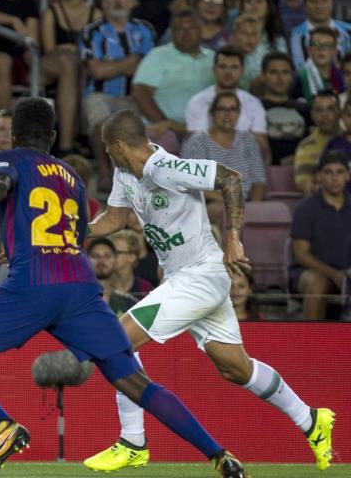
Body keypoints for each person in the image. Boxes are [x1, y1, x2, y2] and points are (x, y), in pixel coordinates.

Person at [0, 98, 248, 478]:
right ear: (52, 137)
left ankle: (5, 428)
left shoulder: (8, 158)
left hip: (33, 283)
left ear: (14, 135)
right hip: (81, 289)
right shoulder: (73, 178)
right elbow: (76, 232)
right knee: (135, 382)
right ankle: (219, 456)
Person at [81, 109, 332, 473]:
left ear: (118, 145)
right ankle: (311, 420)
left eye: (107, 148)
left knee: (118, 341)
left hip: (200, 276)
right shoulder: (125, 172)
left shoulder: (166, 167)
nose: (107, 155)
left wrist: (232, 239)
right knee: (235, 368)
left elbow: (230, 178)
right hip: (189, 279)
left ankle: (133, 441)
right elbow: (115, 218)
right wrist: (70, 233)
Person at [81, 0, 156, 191]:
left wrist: (112, 65)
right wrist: (131, 60)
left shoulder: (145, 30)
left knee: (135, 128)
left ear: (133, 1)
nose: (117, 1)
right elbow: (96, 70)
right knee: (103, 122)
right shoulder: (91, 31)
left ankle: (130, 178)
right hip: (98, 93)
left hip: (134, 94)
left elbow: (145, 68)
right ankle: (105, 172)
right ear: (102, 2)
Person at [132, 8, 215, 142]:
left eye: (191, 28)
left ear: (201, 30)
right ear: (171, 33)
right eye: (179, 29)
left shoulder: (214, 58)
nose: (186, 34)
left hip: (204, 130)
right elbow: (141, 92)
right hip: (164, 129)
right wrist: (166, 125)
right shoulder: (158, 55)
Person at [40, 0, 100, 153]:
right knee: (68, 62)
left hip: (80, 68)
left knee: (77, 65)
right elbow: (50, 49)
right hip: (51, 66)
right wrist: (76, 51)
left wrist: (71, 50)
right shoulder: (51, 12)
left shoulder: (95, 14)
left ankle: (78, 136)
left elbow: (98, 48)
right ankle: (68, 144)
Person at [290, 151, 351, 320]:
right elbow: (301, 255)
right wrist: (334, 274)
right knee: (318, 283)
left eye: (339, 172)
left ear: (347, 175)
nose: (334, 177)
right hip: (309, 272)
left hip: (347, 272)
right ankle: (311, 342)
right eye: (328, 172)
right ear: (319, 176)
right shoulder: (306, 208)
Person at [184, 46, 270, 164]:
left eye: (234, 67)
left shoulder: (253, 103)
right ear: (214, 69)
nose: (228, 72)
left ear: (242, 71)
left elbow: (261, 146)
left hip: (244, 166)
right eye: (223, 66)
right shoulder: (197, 102)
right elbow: (196, 146)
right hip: (207, 167)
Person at [182, 91, 267, 202]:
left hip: (244, 204)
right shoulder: (198, 141)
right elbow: (190, 183)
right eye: (222, 109)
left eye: (233, 109)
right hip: (208, 204)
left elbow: (259, 181)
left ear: (238, 113)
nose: (227, 114)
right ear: (212, 114)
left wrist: (254, 207)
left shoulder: (248, 140)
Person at [259, 51, 310, 164]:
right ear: (263, 76)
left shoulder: (305, 109)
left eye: (285, 72)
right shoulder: (253, 107)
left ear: (292, 76)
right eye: (273, 72)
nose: (280, 78)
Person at [288, 0, 351, 69]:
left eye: (324, 0)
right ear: (305, 5)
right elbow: (301, 69)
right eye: (313, 1)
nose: (319, 6)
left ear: (332, 3)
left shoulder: (348, 30)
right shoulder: (298, 35)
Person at [295, 92, 343, 193]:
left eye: (330, 109)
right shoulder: (306, 145)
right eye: (319, 110)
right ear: (312, 115)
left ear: (339, 113)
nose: (324, 115)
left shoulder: (348, 139)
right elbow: (303, 182)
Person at [291, 27, 345, 104]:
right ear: (308, 49)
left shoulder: (344, 77)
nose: (321, 49)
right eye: (316, 44)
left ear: (335, 51)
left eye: (327, 45)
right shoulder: (297, 78)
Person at [88, 237, 139, 316]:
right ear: (86, 260)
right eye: (95, 256)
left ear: (115, 259)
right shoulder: (75, 301)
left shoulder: (129, 303)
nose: (101, 261)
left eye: (107, 256)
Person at [108, 229, 155, 298]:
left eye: (117, 252)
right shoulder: (101, 287)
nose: (111, 256)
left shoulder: (145, 290)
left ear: (132, 257)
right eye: (109, 252)